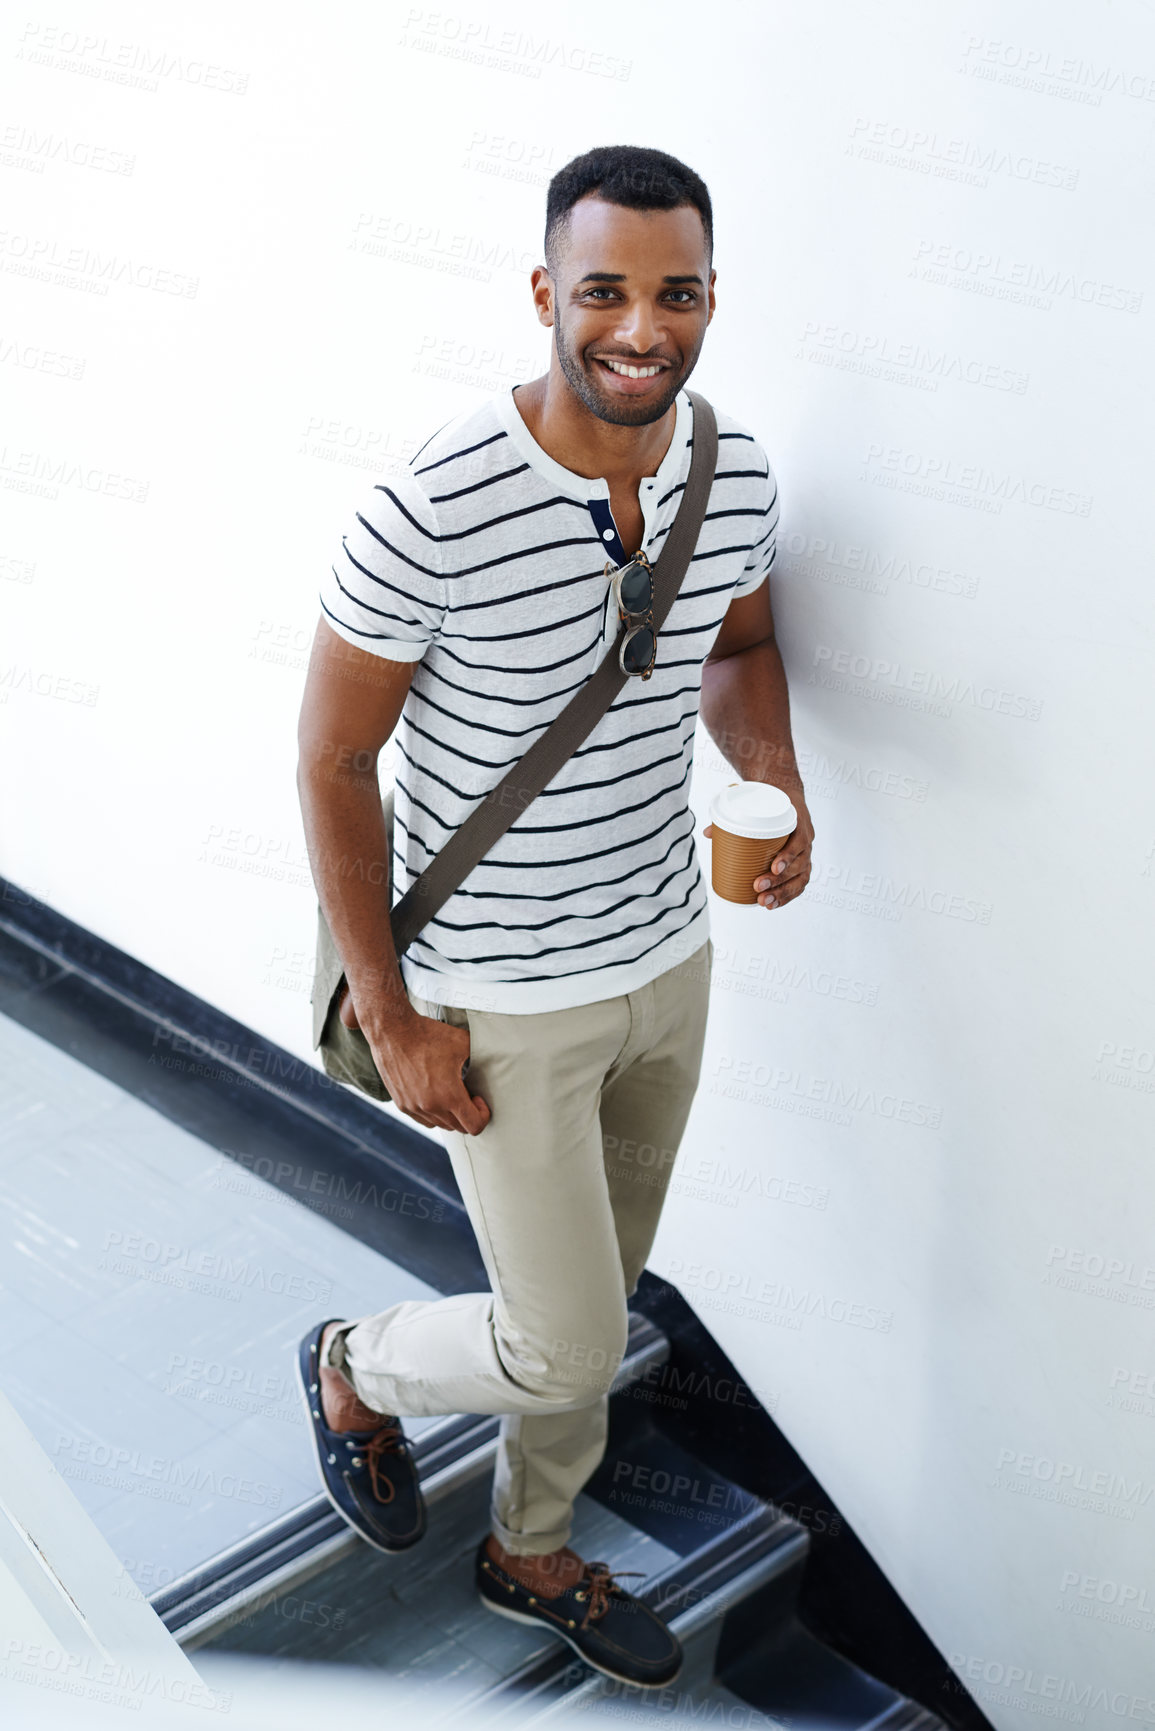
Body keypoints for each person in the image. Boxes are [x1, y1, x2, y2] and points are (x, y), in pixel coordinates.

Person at [295, 143, 814, 1689]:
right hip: (499, 995)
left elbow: (741, 646)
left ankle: (532, 1550)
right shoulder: (429, 504)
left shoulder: (737, 475)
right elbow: (333, 759)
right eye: (603, 290)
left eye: (675, 292)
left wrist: (773, 774)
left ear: (713, 299)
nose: (639, 327)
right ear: (546, 294)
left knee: (597, 1295)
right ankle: (355, 1366)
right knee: (565, 1340)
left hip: (670, 963)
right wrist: (392, 1016)